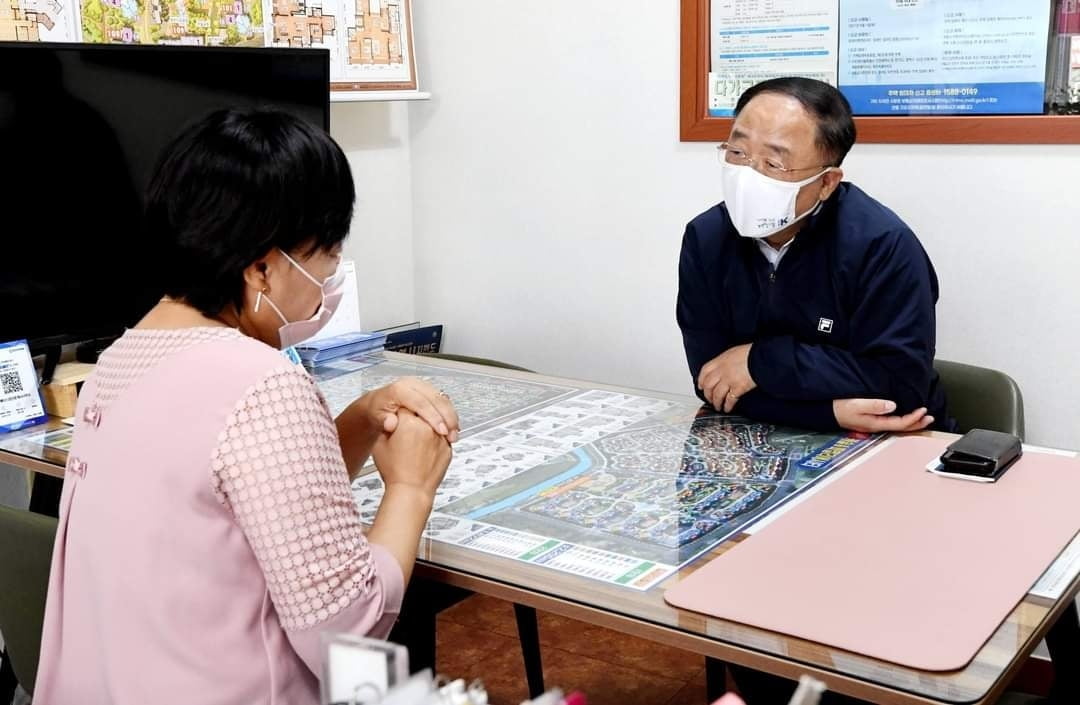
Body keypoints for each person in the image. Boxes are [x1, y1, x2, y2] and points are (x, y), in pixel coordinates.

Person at [33, 109, 458, 704]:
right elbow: (347, 629)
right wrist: (411, 489)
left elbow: (252, 500)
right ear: (262, 265)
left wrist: (360, 419)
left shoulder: (119, 361)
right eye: (328, 257)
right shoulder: (263, 385)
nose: (331, 278)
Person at [677, 77, 955, 436]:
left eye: (774, 163)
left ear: (827, 182)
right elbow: (712, 383)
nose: (748, 174)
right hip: (757, 434)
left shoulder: (883, 245)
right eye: (737, 153)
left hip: (891, 440)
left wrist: (758, 362)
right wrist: (830, 412)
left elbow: (899, 388)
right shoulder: (707, 237)